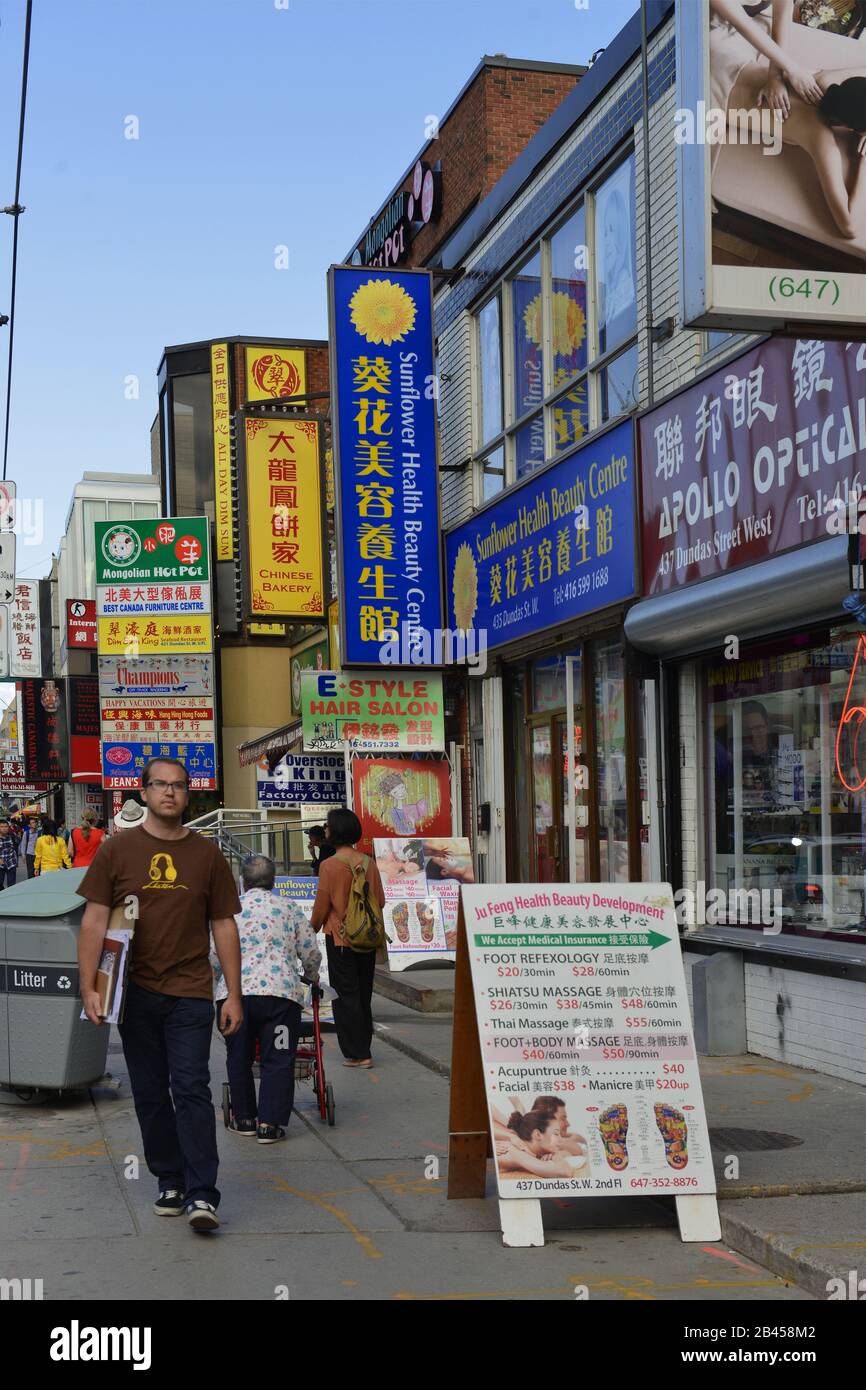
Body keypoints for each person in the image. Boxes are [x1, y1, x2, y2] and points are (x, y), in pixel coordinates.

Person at [77, 758, 243, 1234]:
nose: (170, 793)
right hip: (134, 993)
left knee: (191, 1087)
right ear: (144, 793)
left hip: (190, 990)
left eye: (178, 786)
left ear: (188, 795)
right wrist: (89, 987)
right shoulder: (117, 851)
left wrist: (233, 994)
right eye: (160, 785)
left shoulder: (207, 854)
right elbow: (94, 920)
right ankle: (169, 1179)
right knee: (150, 1093)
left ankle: (201, 1193)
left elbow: (224, 924)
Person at [215, 853, 321, 1144]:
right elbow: (309, 950)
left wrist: (217, 983)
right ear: (273, 882)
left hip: (235, 995)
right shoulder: (289, 908)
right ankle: (270, 1125)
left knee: (239, 1056)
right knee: (278, 1058)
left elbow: (214, 955)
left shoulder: (229, 910)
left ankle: (245, 1118)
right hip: (280, 996)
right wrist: (312, 976)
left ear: (243, 882)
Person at [310, 807, 385, 1068]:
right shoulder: (368, 863)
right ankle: (364, 1044)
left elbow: (321, 905)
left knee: (346, 994)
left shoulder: (329, 866)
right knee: (363, 993)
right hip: (367, 938)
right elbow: (381, 901)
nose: (326, 830)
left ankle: (358, 1052)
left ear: (337, 831)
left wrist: (311, 928)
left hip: (340, 939)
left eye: (328, 826)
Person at [0, 817, 18, 889]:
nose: (4, 828)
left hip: (11, 863)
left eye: (6, 826)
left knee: (12, 886)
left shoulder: (12, 836)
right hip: (0, 865)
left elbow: (18, 843)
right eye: (2, 827)